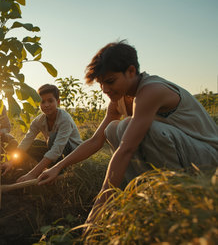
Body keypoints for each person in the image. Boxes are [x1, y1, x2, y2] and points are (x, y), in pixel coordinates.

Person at [37, 40, 218, 223]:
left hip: (208, 159)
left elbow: (126, 149)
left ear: (131, 71)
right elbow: (94, 141)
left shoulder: (151, 90)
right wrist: (56, 167)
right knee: (113, 129)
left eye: (110, 81)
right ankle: (150, 196)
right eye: (101, 83)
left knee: (129, 128)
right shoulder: (118, 101)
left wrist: (98, 208)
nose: (105, 89)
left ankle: (180, 197)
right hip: (185, 155)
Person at [3, 84, 83, 182]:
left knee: (52, 139)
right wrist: (11, 162)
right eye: (42, 102)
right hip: (55, 151)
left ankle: (58, 170)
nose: (46, 105)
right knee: (33, 144)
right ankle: (47, 167)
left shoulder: (65, 119)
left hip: (73, 154)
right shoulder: (38, 121)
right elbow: (26, 142)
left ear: (58, 102)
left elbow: (57, 149)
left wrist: (32, 175)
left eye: (50, 101)